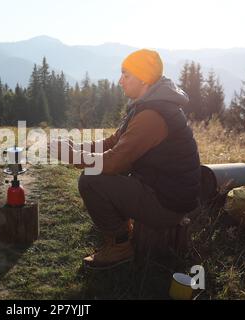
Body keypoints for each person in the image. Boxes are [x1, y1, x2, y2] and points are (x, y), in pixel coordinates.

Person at [50, 49, 201, 269]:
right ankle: (121, 230)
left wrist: (73, 156)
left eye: (126, 75)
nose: (120, 81)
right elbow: (114, 143)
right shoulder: (148, 104)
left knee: (91, 180)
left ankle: (120, 247)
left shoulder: (153, 115)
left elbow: (114, 162)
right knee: (100, 172)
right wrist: (75, 147)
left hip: (167, 204)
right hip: (163, 191)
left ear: (144, 79)